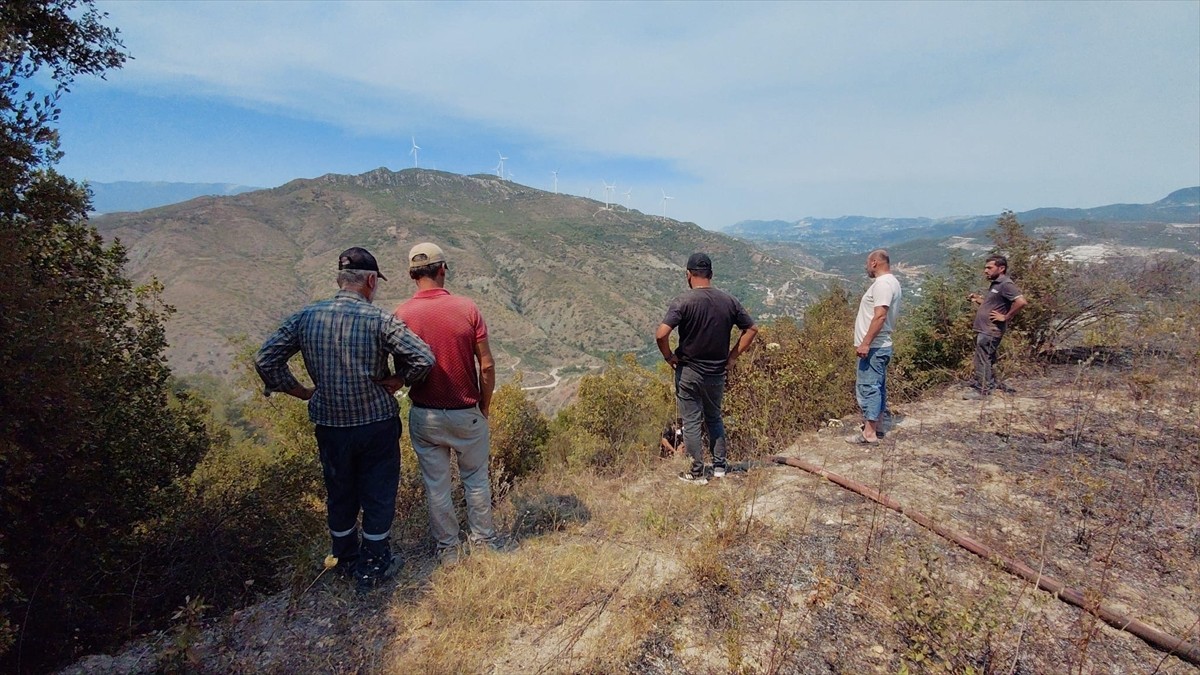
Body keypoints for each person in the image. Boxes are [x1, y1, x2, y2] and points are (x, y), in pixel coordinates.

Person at [255, 247, 435, 592]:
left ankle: (344, 559)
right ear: (370, 281)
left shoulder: (305, 317)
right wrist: (400, 379)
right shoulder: (379, 319)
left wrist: (302, 392)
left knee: (340, 493)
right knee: (378, 494)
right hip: (375, 423)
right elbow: (424, 357)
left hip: (330, 425)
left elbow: (266, 359)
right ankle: (375, 563)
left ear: (340, 279)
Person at [394, 242, 510, 565]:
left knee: (436, 486)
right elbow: (486, 365)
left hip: (424, 415)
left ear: (411, 275)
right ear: (442, 269)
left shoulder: (401, 315)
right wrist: (484, 405)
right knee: (475, 479)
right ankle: (483, 542)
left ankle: (448, 550)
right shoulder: (467, 308)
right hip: (466, 412)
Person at [656, 253, 757, 485]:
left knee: (691, 421)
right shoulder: (729, 301)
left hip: (689, 371)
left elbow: (661, 334)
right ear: (710, 274)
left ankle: (697, 472)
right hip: (717, 372)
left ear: (688, 275)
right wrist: (732, 357)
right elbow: (751, 329)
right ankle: (720, 467)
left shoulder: (683, 301)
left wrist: (669, 356)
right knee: (714, 417)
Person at [847, 249, 902, 445]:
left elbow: (880, 316)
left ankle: (869, 434)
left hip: (874, 348)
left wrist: (866, 343)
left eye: (866, 263)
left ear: (874, 263)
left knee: (868, 387)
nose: (866, 268)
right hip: (880, 346)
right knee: (877, 387)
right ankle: (876, 426)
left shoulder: (883, 285)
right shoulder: (892, 282)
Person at [965, 255, 1027, 399]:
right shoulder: (996, 284)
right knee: (987, 358)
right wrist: (977, 299)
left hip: (990, 330)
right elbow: (993, 305)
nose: (985, 271)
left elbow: (1021, 302)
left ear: (1001, 268)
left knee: (982, 358)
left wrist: (1006, 317)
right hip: (986, 328)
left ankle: (984, 391)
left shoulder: (1006, 284)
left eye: (989, 268)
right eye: (985, 267)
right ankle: (988, 384)